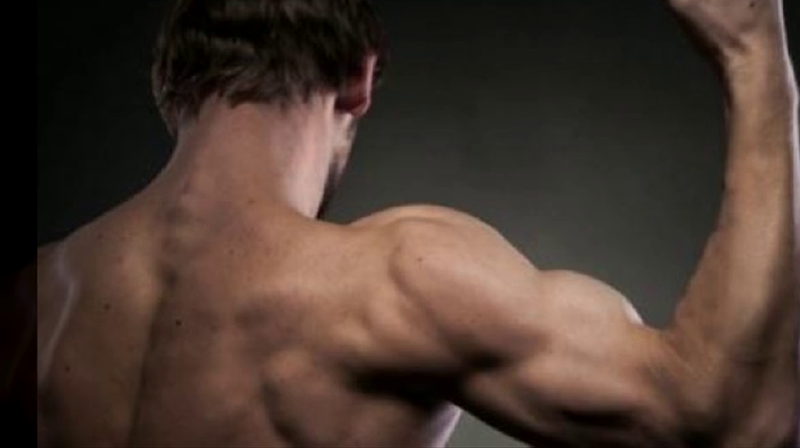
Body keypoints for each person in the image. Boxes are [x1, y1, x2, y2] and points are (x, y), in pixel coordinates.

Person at [36, 0, 798, 446]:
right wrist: (753, 52)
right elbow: (728, 424)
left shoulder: (31, 300)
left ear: (172, 85)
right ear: (359, 80)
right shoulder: (393, 280)